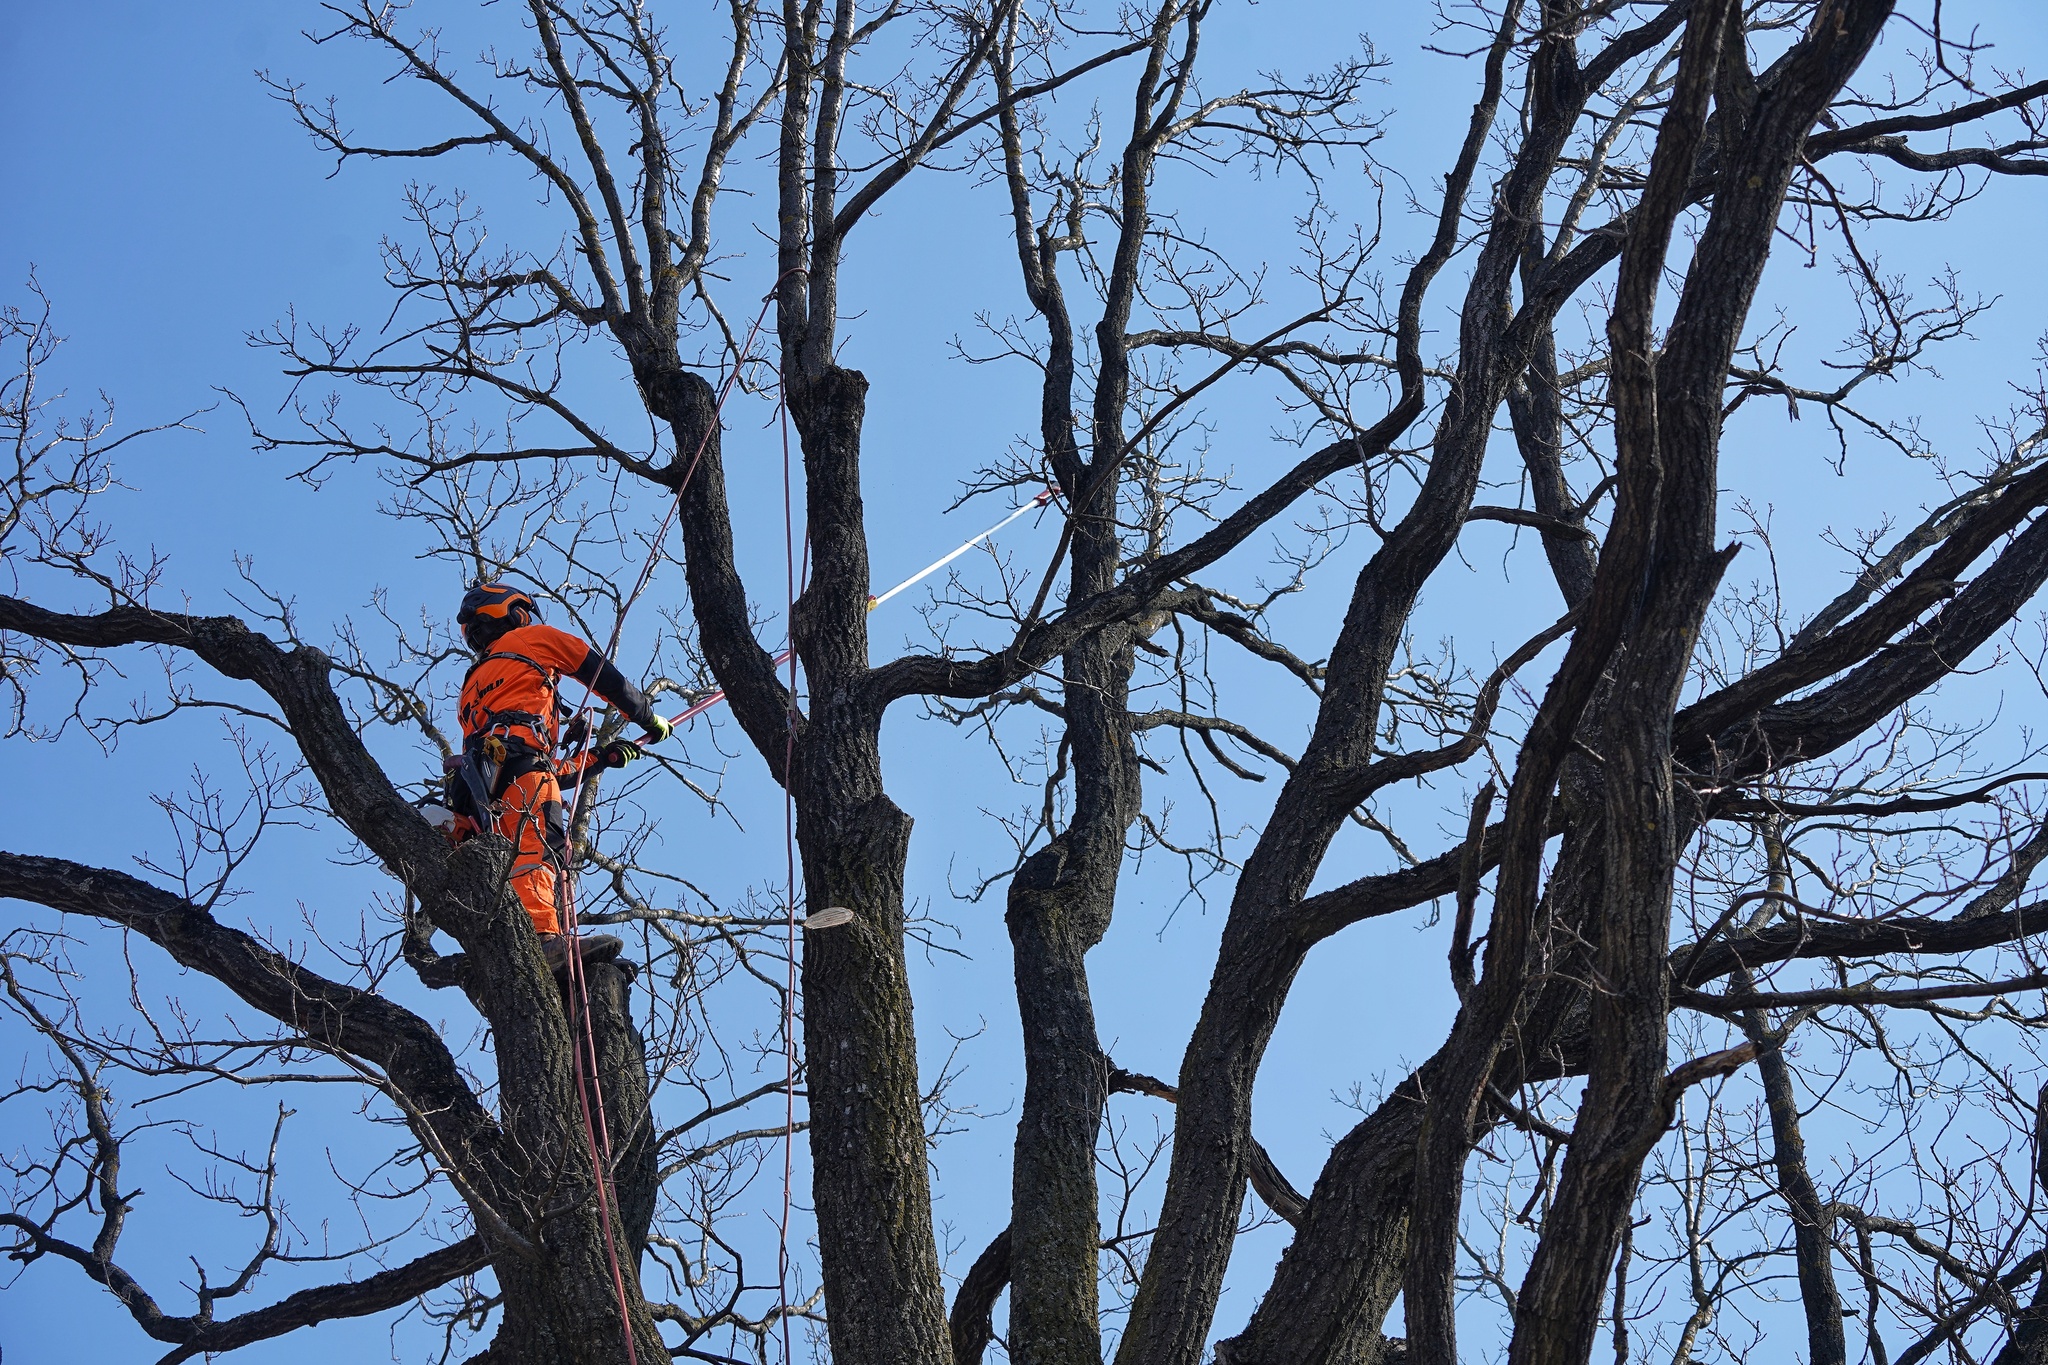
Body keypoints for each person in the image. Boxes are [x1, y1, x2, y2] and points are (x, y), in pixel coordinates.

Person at [447, 582, 673, 975]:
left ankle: (528, 948)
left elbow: (538, 766)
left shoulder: (471, 687)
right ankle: (543, 942)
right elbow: (601, 674)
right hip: (518, 772)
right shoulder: (534, 639)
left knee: (509, 861)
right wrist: (646, 717)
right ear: (514, 613)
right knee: (539, 848)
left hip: (481, 788)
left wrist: (601, 758)